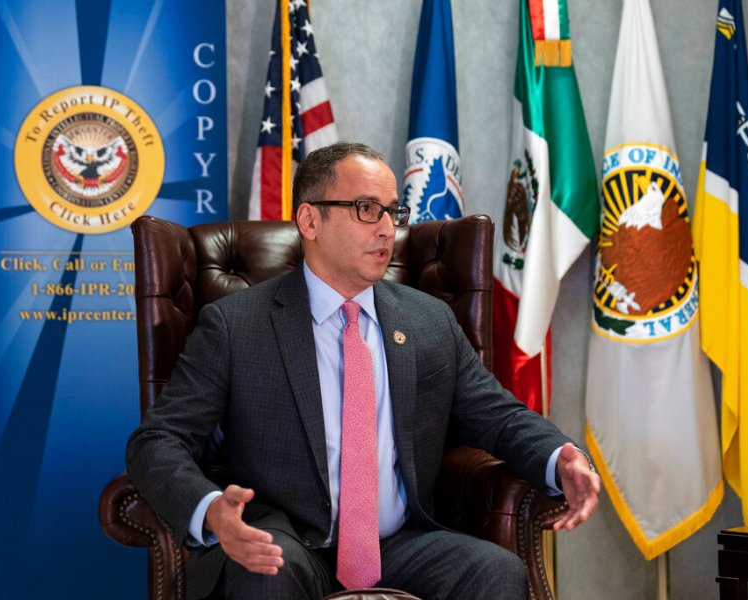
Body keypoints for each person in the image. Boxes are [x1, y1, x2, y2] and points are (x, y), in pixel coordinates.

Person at [126, 142, 600, 600]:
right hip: (286, 538)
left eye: (393, 212)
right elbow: (158, 441)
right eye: (366, 209)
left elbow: (495, 414)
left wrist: (560, 456)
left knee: (495, 571)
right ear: (310, 220)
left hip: (399, 543)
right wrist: (212, 513)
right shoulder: (236, 326)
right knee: (268, 567)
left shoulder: (428, 320)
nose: (387, 229)